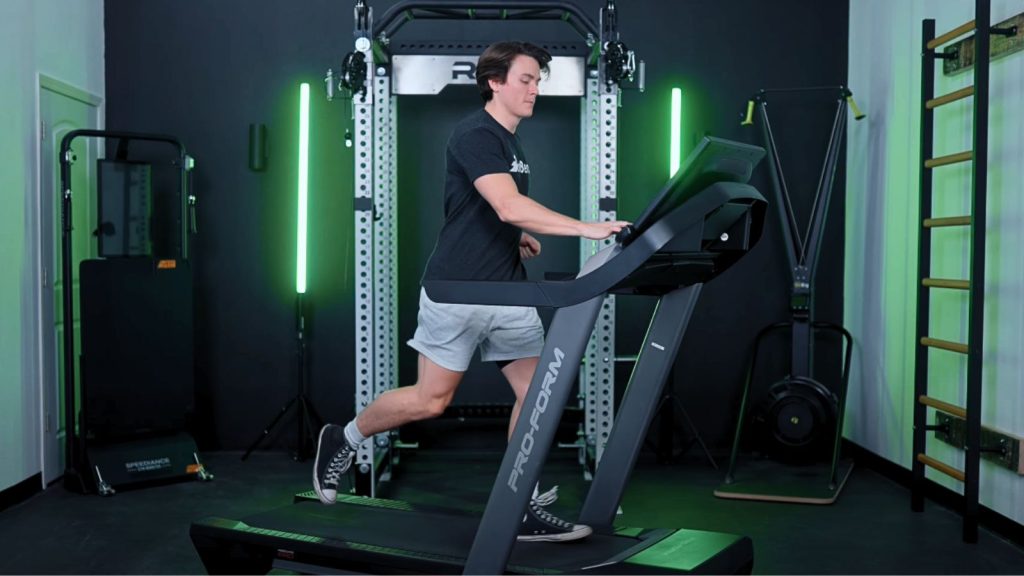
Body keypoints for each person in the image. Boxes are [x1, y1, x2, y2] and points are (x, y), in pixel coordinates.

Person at [314, 41, 628, 542]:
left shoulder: (510, 140)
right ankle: (344, 438)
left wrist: (515, 234)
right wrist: (586, 227)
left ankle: (518, 501)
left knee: (539, 393)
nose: (534, 88)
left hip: (508, 291)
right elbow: (506, 205)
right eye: (525, 79)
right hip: (457, 290)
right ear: (495, 82)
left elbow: (485, 207)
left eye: (537, 80)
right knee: (430, 402)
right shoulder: (476, 134)